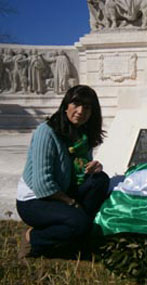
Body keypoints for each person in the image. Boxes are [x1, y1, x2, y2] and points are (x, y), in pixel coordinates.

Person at [16, 85, 110, 259]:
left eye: (87, 107)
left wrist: (94, 168)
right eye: (76, 104)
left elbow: (80, 172)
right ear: (66, 105)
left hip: (64, 190)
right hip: (35, 199)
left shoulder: (82, 134)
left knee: (100, 179)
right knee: (80, 222)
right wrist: (72, 203)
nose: (81, 111)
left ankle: (77, 235)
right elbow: (43, 185)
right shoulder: (46, 132)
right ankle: (34, 238)